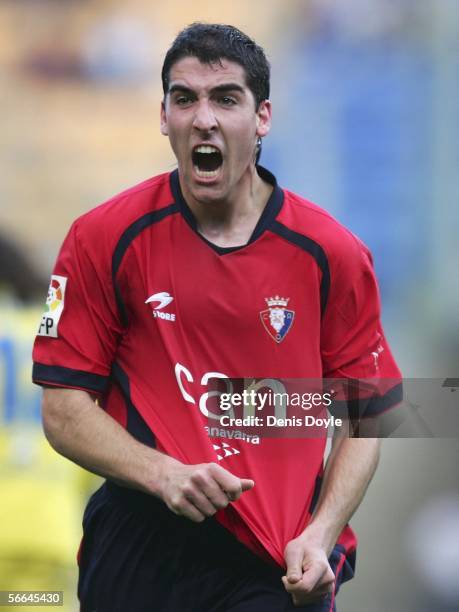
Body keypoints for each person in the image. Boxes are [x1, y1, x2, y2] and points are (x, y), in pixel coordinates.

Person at [32, 23, 402, 611]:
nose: (203, 118)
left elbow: (365, 417)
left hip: (272, 564)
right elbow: (62, 407)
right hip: (139, 544)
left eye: (225, 98)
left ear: (263, 118)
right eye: (185, 99)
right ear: (163, 117)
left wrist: (321, 533)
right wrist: (162, 474)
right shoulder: (103, 238)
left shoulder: (331, 253)